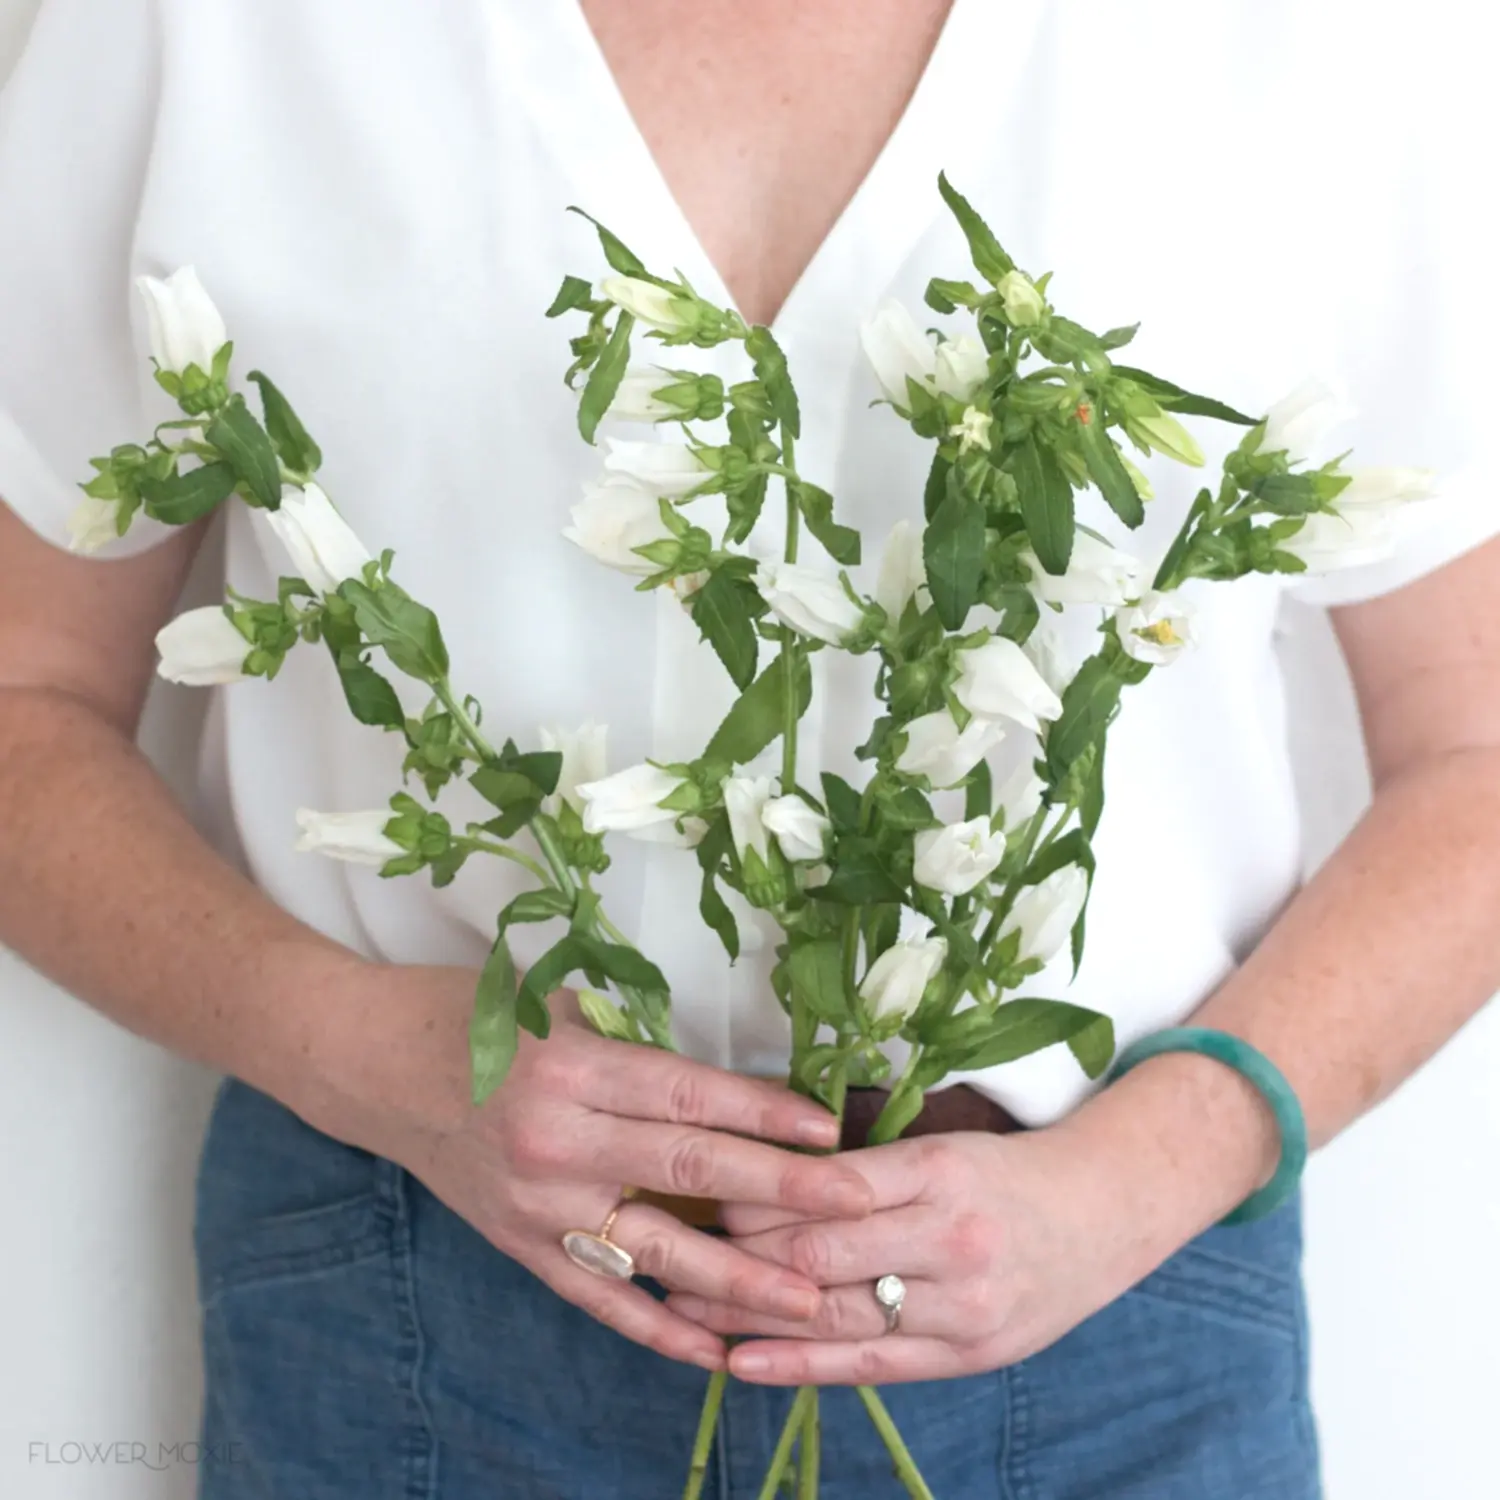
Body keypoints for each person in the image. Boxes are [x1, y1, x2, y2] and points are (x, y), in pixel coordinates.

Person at [1, 1, 1496, 1496]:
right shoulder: (208, 29)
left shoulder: (1325, 38)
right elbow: (28, 698)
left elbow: (1474, 752)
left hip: (1105, 1301)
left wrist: (1155, 1166)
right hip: (411, 1288)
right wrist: (350, 1046)